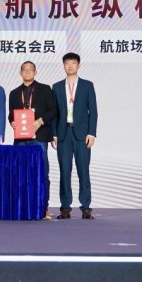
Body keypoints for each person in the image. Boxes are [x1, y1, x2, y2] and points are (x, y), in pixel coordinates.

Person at [8, 60, 57, 220]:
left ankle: (44, 207)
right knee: (20, 172)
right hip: (20, 139)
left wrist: (41, 120)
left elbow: (53, 110)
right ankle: (21, 207)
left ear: (35, 72)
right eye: (25, 69)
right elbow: (11, 115)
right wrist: (12, 122)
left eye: (30, 69)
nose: (27, 72)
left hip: (39, 137)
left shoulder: (45, 89)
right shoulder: (14, 93)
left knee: (42, 172)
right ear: (20, 73)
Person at [52, 52, 98, 220]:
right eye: (67, 63)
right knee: (64, 171)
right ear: (63, 65)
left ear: (79, 65)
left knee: (83, 170)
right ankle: (65, 207)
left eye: (73, 62)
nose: (70, 66)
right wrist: (54, 134)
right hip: (63, 134)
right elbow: (54, 113)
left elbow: (93, 111)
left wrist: (91, 133)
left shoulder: (87, 85)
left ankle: (86, 207)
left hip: (82, 135)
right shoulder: (57, 87)